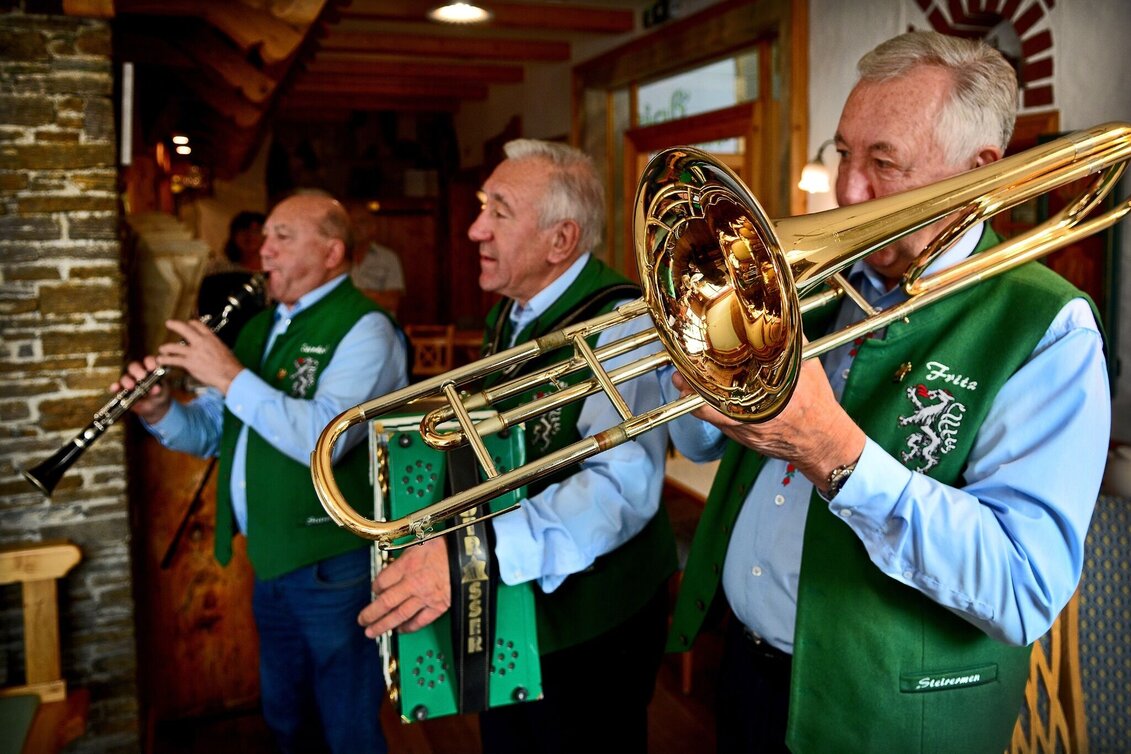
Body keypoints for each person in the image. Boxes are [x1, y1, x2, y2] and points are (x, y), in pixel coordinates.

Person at [665, 31, 1110, 753]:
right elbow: (696, 440)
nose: (846, 191)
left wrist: (835, 454)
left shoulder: (1046, 329)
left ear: (977, 171)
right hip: (744, 674)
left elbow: (1022, 586)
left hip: (891, 723)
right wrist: (685, 354)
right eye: (843, 153)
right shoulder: (807, 288)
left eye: (883, 163)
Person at [357, 138, 678, 753]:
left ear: (561, 240)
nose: (476, 229)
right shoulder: (513, 312)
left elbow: (621, 490)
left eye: (499, 212)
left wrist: (470, 557)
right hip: (514, 601)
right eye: (483, 206)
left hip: (592, 623)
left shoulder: (624, 323)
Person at [113, 192, 408, 754]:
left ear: (331, 251)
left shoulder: (367, 329)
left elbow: (328, 438)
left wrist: (228, 376)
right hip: (269, 557)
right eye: (265, 237)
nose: (262, 250)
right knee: (286, 716)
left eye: (281, 237)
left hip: (332, 563)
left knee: (347, 727)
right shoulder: (263, 325)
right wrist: (159, 410)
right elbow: (215, 432)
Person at [348, 201, 406, 315]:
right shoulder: (336, 257)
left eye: (361, 222)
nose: (355, 226)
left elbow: (391, 301)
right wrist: (373, 295)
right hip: (345, 325)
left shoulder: (388, 258)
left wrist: (351, 295)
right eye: (351, 222)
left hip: (378, 324)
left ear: (373, 228)